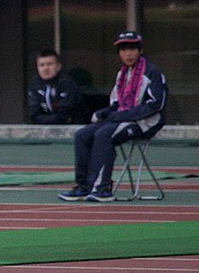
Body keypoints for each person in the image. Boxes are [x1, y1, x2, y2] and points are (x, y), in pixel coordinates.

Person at [58, 31, 168, 202]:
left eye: (132, 49)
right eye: (123, 50)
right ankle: (84, 186)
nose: (128, 54)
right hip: (122, 119)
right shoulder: (122, 74)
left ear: (140, 50)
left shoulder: (152, 72)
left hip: (145, 122)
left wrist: (124, 115)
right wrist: (103, 113)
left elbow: (156, 105)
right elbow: (116, 104)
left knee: (104, 134)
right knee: (82, 135)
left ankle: (102, 188)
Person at [26, 49, 82, 124]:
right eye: (42, 65)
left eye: (49, 64)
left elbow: (65, 114)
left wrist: (43, 119)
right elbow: (33, 113)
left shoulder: (67, 83)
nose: (45, 68)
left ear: (58, 66)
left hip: (72, 127)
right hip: (40, 127)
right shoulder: (34, 83)